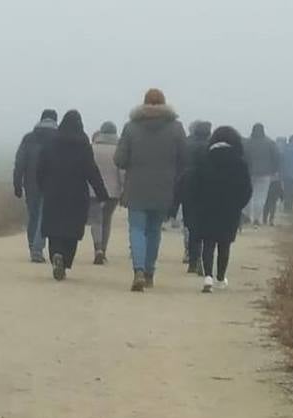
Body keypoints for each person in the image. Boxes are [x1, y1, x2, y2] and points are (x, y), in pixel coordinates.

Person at [115, 89, 186, 292]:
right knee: (154, 231)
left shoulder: (131, 128)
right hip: (164, 188)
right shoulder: (176, 128)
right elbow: (184, 158)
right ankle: (148, 272)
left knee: (137, 229)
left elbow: (119, 160)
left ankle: (137, 269)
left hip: (136, 187)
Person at [37, 110, 109, 281]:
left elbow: (41, 167)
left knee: (54, 229)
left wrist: (42, 187)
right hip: (76, 194)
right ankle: (66, 259)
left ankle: (56, 255)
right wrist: (102, 193)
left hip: (53, 192)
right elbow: (91, 170)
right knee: (72, 231)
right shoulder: (83, 144)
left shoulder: (51, 142)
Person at [182, 126, 252, 293]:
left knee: (208, 242)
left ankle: (207, 277)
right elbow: (247, 189)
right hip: (229, 209)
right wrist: (238, 205)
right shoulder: (240, 162)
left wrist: (195, 204)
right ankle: (220, 278)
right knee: (224, 244)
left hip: (206, 207)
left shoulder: (203, 159)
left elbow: (193, 185)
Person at [14, 109, 59, 262]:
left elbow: (20, 161)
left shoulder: (29, 138)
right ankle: (37, 249)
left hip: (31, 182)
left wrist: (17, 183)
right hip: (52, 182)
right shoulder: (59, 138)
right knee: (43, 215)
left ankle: (33, 245)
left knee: (33, 215)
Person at [179, 120, 212, 273]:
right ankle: (202, 259)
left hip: (187, 186)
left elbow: (178, 164)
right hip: (207, 188)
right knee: (206, 225)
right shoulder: (212, 147)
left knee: (190, 225)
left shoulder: (186, 144)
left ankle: (191, 257)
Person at [89, 121, 123, 264]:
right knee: (106, 219)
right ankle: (104, 249)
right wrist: (123, 189)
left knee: (96, 220)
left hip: (93, 190)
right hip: (113, 191)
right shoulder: (119, 149)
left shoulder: (92, 148)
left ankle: (97, 248)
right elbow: (122, 172)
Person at [242, 123, 280, 227]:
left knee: (249, 195)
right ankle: (256, 218)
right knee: (261, 197)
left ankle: (247, 216)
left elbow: (243, 157)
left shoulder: (247, 143)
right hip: (265, 174)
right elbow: (276, 157)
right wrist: (274, 170)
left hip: (249, 173)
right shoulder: (270, 143)